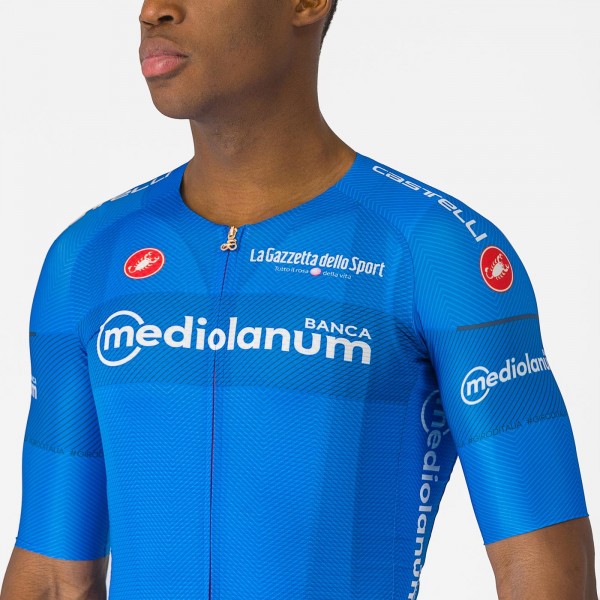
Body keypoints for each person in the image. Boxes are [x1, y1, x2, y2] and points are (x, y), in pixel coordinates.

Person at [1, 0, 597, 598]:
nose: (154, 10)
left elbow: (543, 566)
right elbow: (52, 578)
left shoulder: (433, 251)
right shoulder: (90, 255)